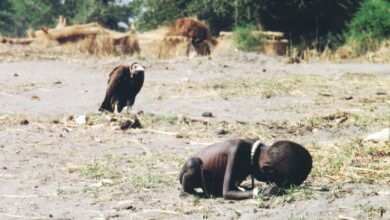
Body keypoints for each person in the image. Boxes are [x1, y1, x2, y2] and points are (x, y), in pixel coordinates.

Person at [179, 139, 312, 200]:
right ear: (268, 171)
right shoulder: (239, 150)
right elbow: (228, 192)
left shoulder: (258, 153)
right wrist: (258, 192)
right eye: (273, 181)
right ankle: (186, 192)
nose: (269, 183)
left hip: (213, 183)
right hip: (195, 173)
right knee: (193, 165)